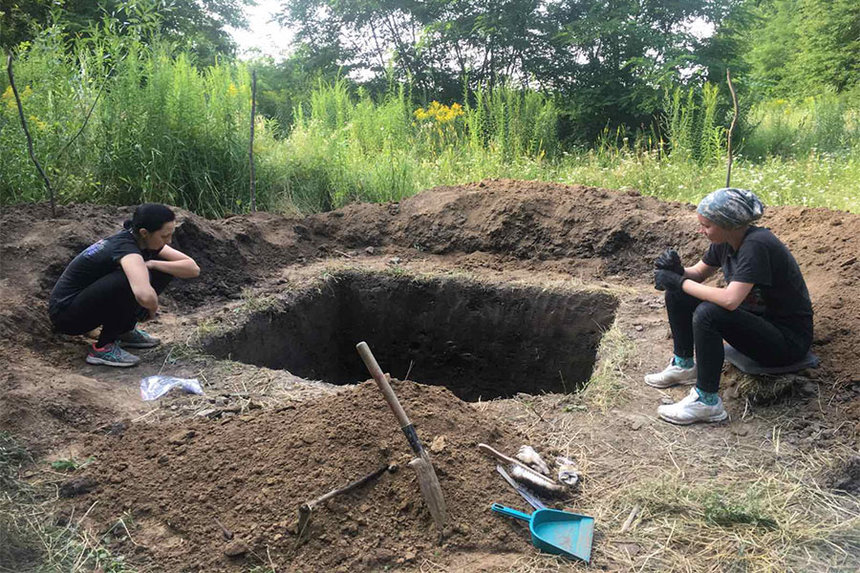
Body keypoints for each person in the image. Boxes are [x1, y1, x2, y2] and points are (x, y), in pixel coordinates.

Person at [644, 188, 813, 424]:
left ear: (729, 224)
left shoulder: (757, 245)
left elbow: (730, 300)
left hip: (787, 342)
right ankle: (683, 365)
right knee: (678, 294)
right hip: (760, 324)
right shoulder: (727, 240)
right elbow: (698, 274)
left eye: (707, 225)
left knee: (709, 313)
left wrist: (680, 282)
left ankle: (707, 402)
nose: (701, 230)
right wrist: (677, 271)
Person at [49, 203, 200, 367]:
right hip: (67, 314)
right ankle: (103, 348)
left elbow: (192, 268)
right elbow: (143, 295)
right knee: (129, 279)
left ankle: (124, 331)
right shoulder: (126, 249)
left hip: (87, 304)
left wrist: (153, 264)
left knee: (160, 268)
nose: (169, 241)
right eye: (164, 236)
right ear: (144, 232)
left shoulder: (144, 241)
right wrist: (152, 309)